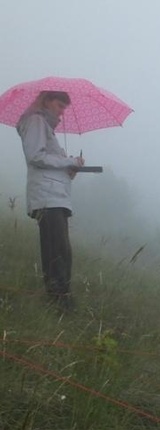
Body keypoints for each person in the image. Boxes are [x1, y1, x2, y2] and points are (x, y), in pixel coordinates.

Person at [16, 91, 85, 313]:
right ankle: (58, 301)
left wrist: (70, 168)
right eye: (59, 105)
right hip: (47, 197)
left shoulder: (46, 127)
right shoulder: (35, 121)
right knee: (56, 250)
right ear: (46, 101)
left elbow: (50, 162)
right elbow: (35, 156)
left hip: (56, 196)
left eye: (64, 107)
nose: (62, 111)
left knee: (62, 250)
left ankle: (61, 297)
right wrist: (68, 161)